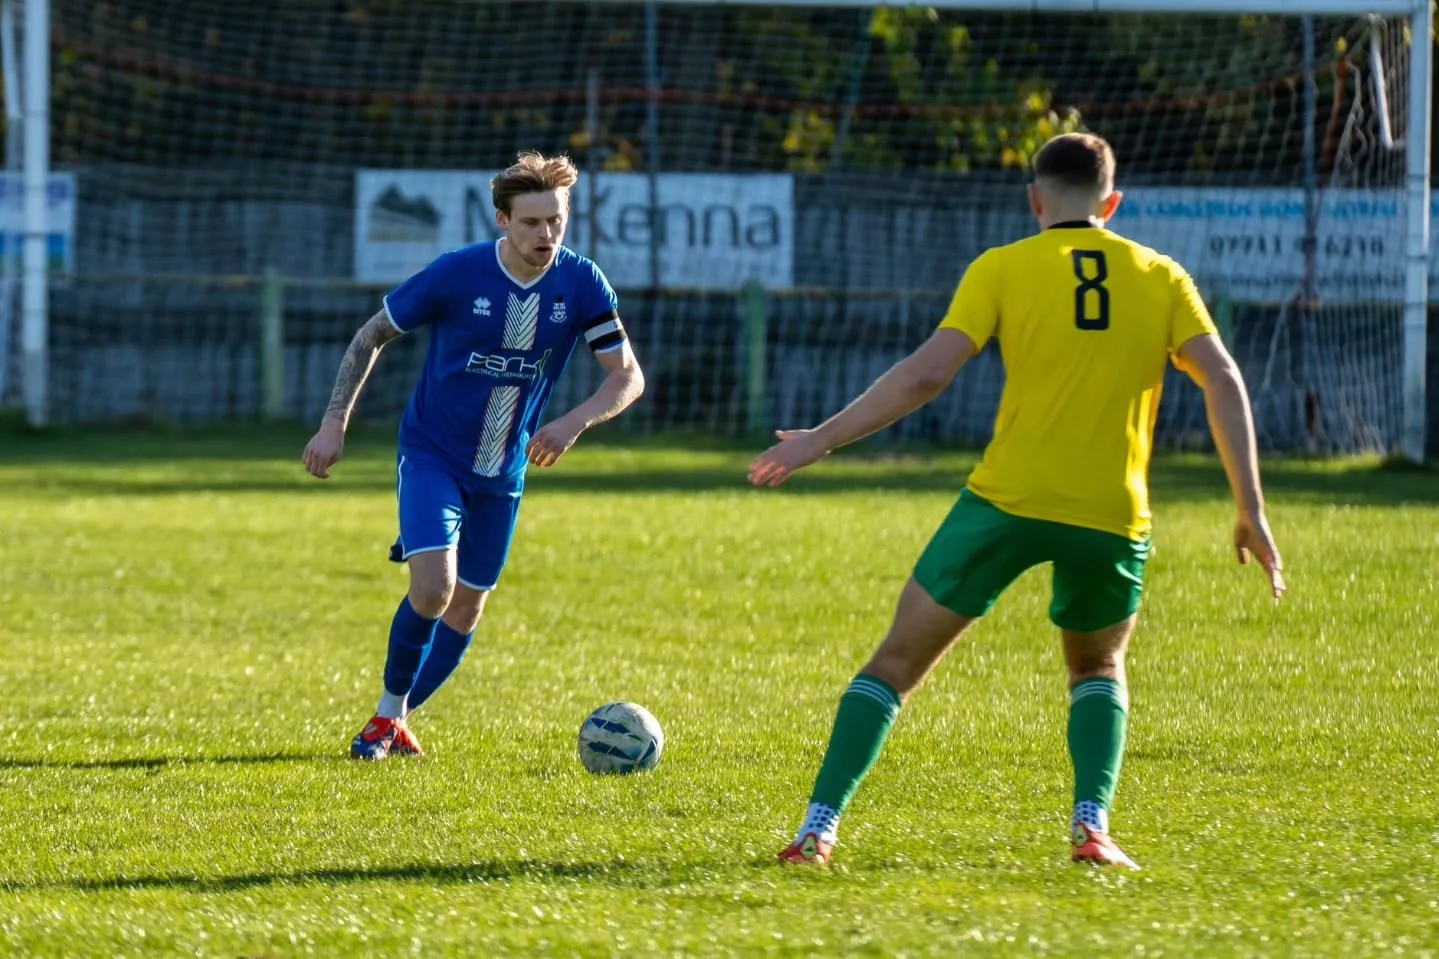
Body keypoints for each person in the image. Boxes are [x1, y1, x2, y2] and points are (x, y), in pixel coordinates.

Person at [748, 132, 1285, 870]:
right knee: (1096, 669)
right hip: (1110, 514)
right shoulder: (1161, 275)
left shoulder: (1000, 267)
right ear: (1112, 203)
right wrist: (1250, 508)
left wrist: (823, 438)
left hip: (1005, 504)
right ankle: (1091, 827)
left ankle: (818, 829)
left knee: (895, 663)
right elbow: (1222, 377)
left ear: (1035, 199)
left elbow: (926, 375)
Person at [303, 151, 645, 761]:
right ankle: (386, 718)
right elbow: (371, 335)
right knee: (434, 588)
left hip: (503, 472)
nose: (546, 234)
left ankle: (393, 720)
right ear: (502, 221)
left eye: (556, 221)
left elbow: (627, 376)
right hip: (433, 455)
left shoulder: (582, 282)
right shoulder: (458, 273)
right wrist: (334, 422)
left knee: (467, 607)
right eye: (531, 222)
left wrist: (573, 422)